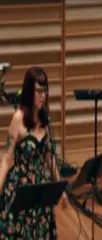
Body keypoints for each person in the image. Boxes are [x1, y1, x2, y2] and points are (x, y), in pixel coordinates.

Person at [0, 66, 68, 239]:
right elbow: (7, 159)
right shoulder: (18, 118)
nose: (43, 96)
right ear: (30, 91)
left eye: (45, 91)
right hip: (21, 189)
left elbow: (49, 156)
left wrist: (60, 188)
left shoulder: (45, 119)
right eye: (38, 91)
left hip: (40, 191)